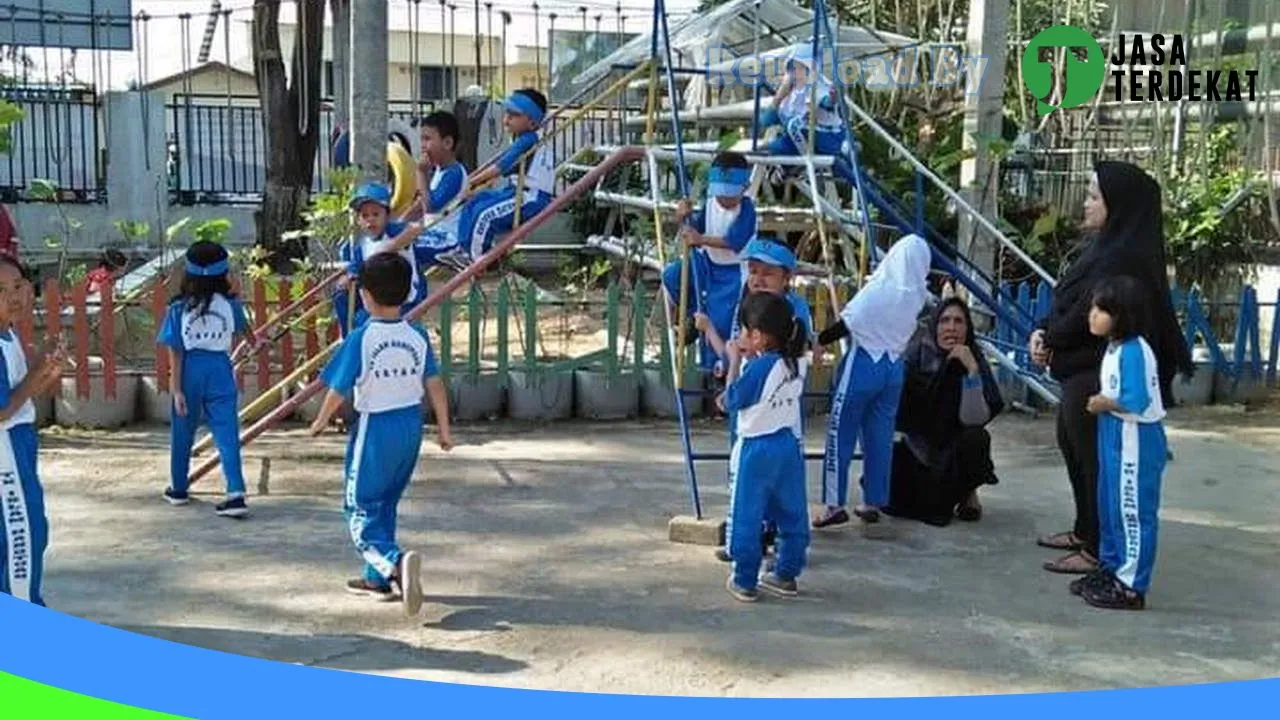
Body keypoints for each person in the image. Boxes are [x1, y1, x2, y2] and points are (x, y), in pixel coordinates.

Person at [1030, 161, 1191, 576]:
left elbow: (1089, 314)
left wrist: (1050, 339)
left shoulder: (1123, 260)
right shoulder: (1102, 249)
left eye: (1094, 197)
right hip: (1076, 370)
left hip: (1098, 375)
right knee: (1075, 452)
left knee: (1094, 464)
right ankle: (1086, 530)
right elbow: (1065, 302)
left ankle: (1098, 546)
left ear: (1118, 205)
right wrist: (1042, 331)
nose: (1085, 204)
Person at [310, 252, 453, 617]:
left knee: (358, 506)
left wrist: (320, 421)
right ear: (408, 294)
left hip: (374, 427)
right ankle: (376, 578)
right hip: (410, 426)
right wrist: (444, 429)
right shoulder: (418, 334)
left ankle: (394, 563)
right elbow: (434, 383)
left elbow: (338, 388)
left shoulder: (362, 337)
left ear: (366, 295)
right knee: (385, 502)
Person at [702, 237, 812, 563]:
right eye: (753, 271)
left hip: (776, 410)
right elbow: (737, 348)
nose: (758, 279)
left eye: (768, 273)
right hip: (748, 405)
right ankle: (748, 536)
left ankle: (768, 538)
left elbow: (787, 357)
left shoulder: (794, 312)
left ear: (786, 278)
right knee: (742, 476)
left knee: (778, 479)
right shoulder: (746, 305)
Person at [814, 234, 932, 531]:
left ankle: (833, 504)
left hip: (863, 363)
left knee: (840, 433)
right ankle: (873, 500)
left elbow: (847, 324)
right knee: (880, 437)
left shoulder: (879, 290)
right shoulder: (917, 297)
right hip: (893, 369)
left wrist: (817, 340)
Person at [1071, 276, 1167, 611]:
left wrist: (1103, 403)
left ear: (1122, 314)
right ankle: (1111, 568)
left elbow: (1137, 400)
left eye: (1101, 310)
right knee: (1109, 505)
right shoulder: (1113, 347)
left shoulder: (1134, 350)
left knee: (1132, 510)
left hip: (1134, 438)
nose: (1091, 315)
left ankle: (1131, 586)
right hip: (1113, 433)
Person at [717, 292, 810, 602]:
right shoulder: (796, 361)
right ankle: (786, 573)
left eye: (744, 331)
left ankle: (744, 578)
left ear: (756, 336)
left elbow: (731, 399)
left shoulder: (757, 368)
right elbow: (772, 380)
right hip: (788, 445)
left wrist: (734, 361)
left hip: (757, 448)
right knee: (792, 511)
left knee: (747, 512)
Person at [883, 297, 1004, 527]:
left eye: (958, 321)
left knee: (976, 438)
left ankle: (969, 493)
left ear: (967, 328)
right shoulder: (916, 355)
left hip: (956, 447)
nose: (951, 327)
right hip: (919, 445)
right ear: (934, 326)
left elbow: (975, 418)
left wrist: (971, 373)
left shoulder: (974, 357)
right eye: (945, 320)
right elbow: (900, 413)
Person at [157, 241, 252, 518]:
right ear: (223, 275)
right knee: (227, 433)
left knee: (182, 432)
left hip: (189, 371)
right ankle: (235, 492)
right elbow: (249, 335)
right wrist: (255, 341)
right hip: (220, 369)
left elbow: (176, 351)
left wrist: (177, 391)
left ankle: (178, 488)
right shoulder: (230, 305)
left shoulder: (177, 308)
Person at [415, 88, 555, 272]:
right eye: (507, 114)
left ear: (531, 121)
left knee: (485, 215)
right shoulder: (523, 139)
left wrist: (472, 182)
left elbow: (499, 168)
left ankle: (475, 261)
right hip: (516, 191)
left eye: (513, 116)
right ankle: (462, 249)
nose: (506, 120)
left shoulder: (528, 140)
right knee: (475, 202)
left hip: (532, 198)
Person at [0, 255, 62, 606]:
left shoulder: (8, 335)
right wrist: (37, 371)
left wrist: (45, 373)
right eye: (1, 290)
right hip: (5, 456)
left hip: (19, 448)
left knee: (25, 533)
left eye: (19, 286)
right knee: (22, 537)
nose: (14, 296)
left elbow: (21, 397)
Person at [662, 151, 757, 374]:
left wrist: (701, 239)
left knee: (722, 319)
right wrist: (682, 217)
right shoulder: (711, 203)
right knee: (673, 276)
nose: (724, 200)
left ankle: (720, 367)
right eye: (721, 194)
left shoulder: (747, 210)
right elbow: (695, 228)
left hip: (734, 271)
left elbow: (735, 241)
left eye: (730, 195)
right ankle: (691, 318)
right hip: (707, 262)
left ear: (744, 188)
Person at [332, 182, 424, 336]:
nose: (370, 220)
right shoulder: (361, 246)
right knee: (341, 296)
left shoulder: (394, 231)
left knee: (365, 323)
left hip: (403, 299)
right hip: (376, 300)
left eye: (376, 214)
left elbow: (416, 229)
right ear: (358, 220)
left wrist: (390, 247)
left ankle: (359, 338)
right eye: (365, 215)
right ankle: (347, 338)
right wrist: (347, 278)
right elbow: (355, 269)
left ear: (387, 215)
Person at [758, 45, 857, 186]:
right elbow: (768, 120)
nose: (794, 73)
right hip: (796, 140)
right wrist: (776, 102)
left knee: (795, 127)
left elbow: (825, 102)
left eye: (799, 68)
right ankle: (787, 168)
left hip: (822, 137)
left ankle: (803, 165)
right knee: (770, 147)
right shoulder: (789, 97)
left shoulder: (817, 86)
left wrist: (833, 98)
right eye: (791, 69)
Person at [412, 110, 468, 219]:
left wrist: (421, 173)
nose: (423, 145)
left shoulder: (454, 174)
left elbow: (429, 208)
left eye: (427, 139)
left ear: (447, 143)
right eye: (422, 139)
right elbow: (421, 203)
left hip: (446, 233)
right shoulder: (438, 169)